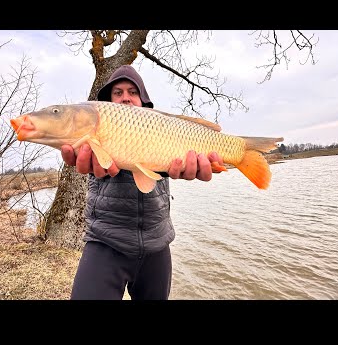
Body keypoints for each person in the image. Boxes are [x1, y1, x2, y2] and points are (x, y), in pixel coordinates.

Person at [61, 65, 224, 300]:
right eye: (117, 93)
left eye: (132, 92)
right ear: (107, 103)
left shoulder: (158, 129)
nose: (125, 98)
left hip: (157, 243)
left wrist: (180, 167)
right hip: (106, 241)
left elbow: (168, 165)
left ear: (143, 101)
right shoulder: (93, 131)